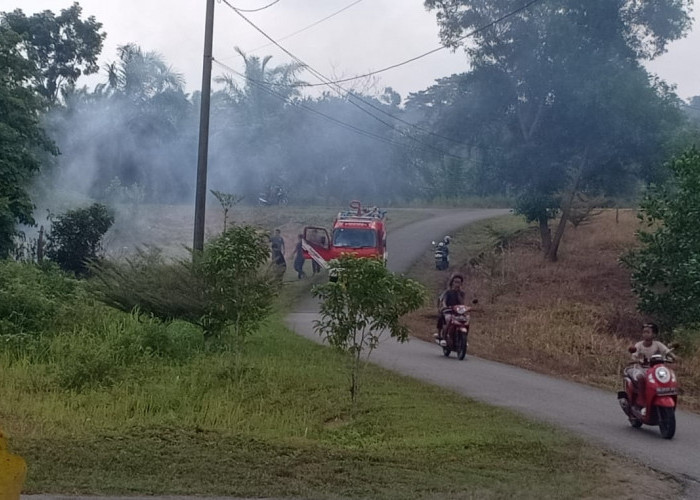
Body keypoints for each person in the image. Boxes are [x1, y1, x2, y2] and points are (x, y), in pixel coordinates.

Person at [624, 322, 675, 404]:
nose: (645, 334)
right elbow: (634, 356)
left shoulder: (658, 344)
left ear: (654, 334)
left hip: (655, 370)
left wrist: (674, 357)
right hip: (640, 369)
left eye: (648, 332)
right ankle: (640, 399)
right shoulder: (639, 345)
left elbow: (667, 352)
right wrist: (637, 359)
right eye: (644, 332)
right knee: (641, 378)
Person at [434, 274, 466, 345]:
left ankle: (461, 339)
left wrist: (458, 293)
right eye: (455, 282)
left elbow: (462, 303)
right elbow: (444, 300)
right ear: (452, 282)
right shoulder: (448, 292)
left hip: (458, 312)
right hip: (448, 310)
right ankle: (441, 336)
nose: (457, 284)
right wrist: (444, 306)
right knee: (444, 318)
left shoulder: (462, 293)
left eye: (459, 282)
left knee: (464, 321)